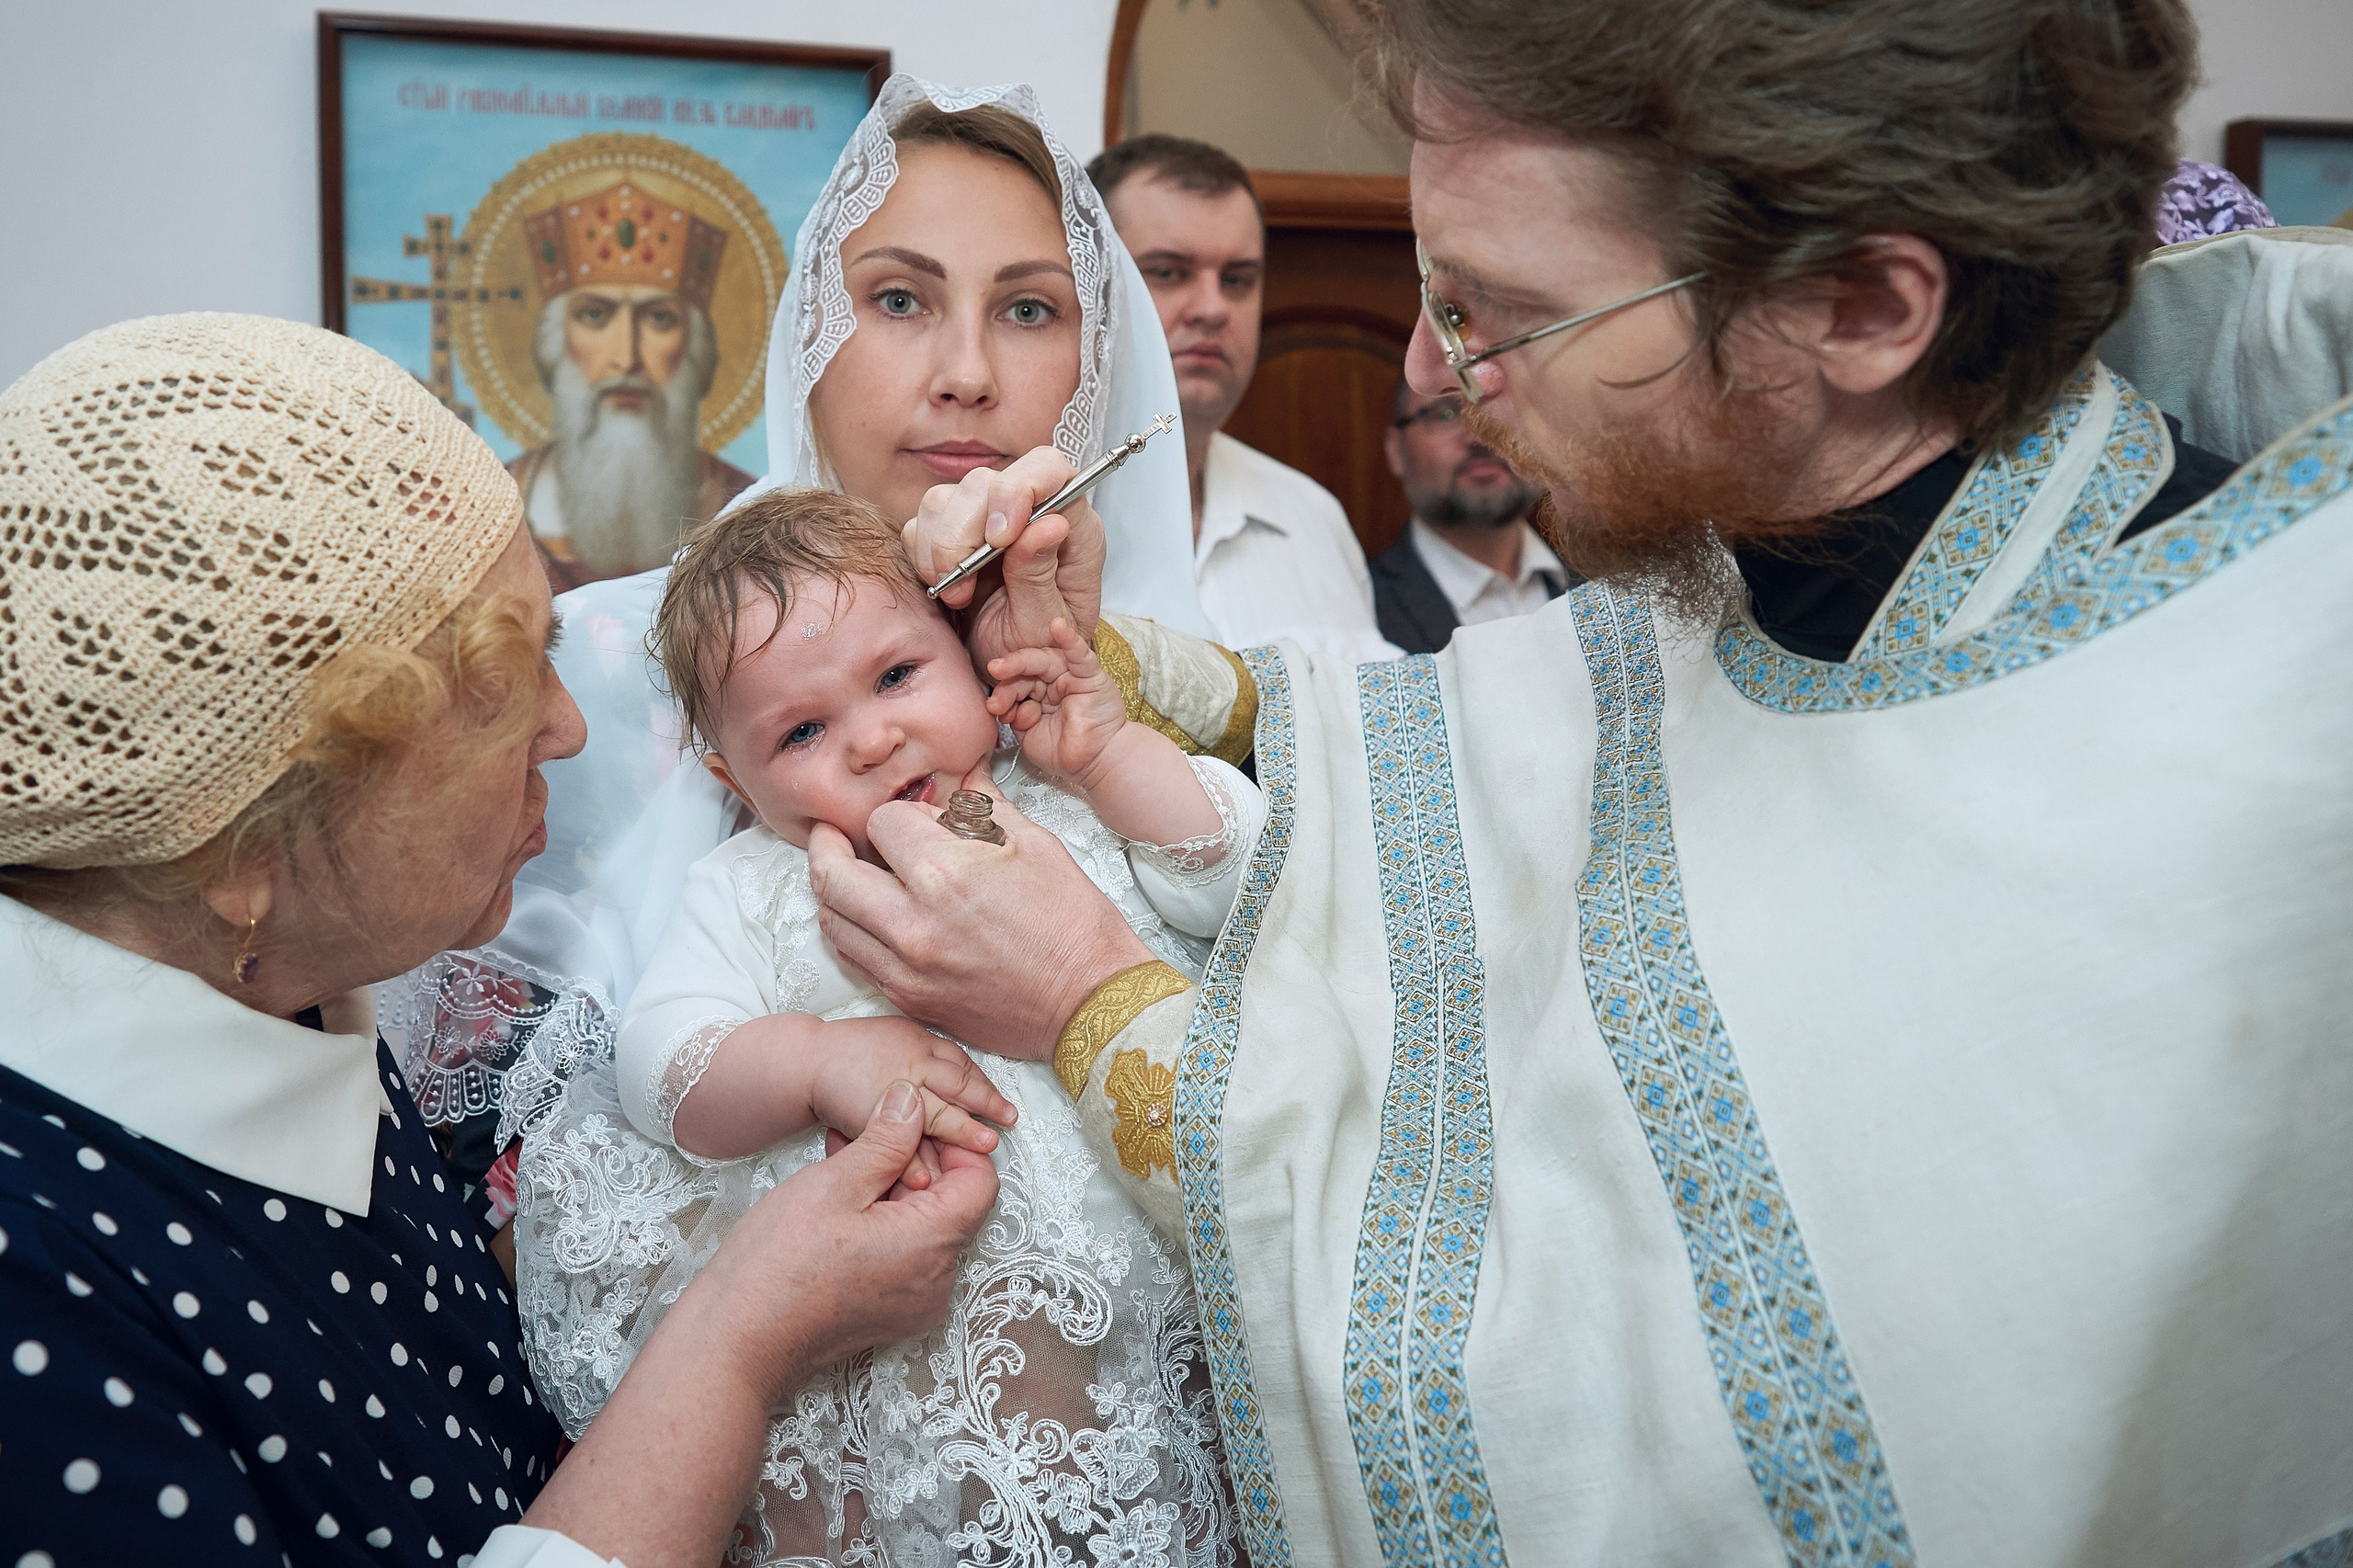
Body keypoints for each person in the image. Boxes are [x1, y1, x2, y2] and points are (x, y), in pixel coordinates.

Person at [817, 3, 2353, 1564]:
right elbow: (1456, 742)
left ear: (1864, 306)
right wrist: (1112, 673)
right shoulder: (1761, 566)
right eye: (1430, 293)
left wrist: (1088, 992)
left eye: (1498, 313)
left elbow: (1650, 1438)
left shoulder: (2244, 777)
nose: (1430, 373)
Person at [382, 79, 1250, 1566]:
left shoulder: (1148, 694)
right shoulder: (586, 679)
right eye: (900, 298)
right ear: (804, 332)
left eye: (1032, 311)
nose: (967, 374)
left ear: (1101, 365)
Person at [0, 313, 995, 1568]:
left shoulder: (294, 990)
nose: (571, 730)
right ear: (246, 854)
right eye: (499, 690)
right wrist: (744, 1334)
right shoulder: (33, 1295)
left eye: (551, 647)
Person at [521, 488, 1256, 1562]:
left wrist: (1111, 756)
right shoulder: (751, 883)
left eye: (898, 675)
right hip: (921, 1352)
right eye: (803, 730)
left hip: (1146, 1317)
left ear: (966, 654)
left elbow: (1236, 873)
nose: (872, 738)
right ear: (733, 777)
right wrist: (813, 1061)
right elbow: (661, 1065)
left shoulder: (1067, 786)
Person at [1088, 134, 1398, 664]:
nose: (1212, 308)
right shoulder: (1032, 523)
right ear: (1088, 282)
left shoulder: (1313, 519)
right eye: (1167, 272)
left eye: (1237, 279)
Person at [508, 185, 755, 590]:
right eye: (594, 315)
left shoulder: (751, 513)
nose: (626, 357)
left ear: (695, 350)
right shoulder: (492, 511)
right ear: (555, 344)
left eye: (659, 319)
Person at [1371, 378, 1568, 653]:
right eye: (1446, 414)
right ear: (1396, 451)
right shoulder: (1364, 607)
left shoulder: (1607, 581)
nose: (1479, 437)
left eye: (1498, 408)